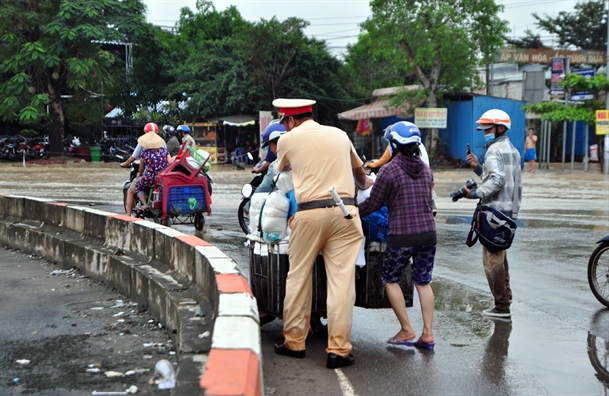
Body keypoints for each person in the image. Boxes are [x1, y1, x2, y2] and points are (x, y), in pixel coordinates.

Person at [272, 98, 372, 369]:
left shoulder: (287, 139)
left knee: (299, 276)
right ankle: (338, 350)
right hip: (346, 212)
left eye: (285, 122)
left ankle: (294, 342)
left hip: (309, 213)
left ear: (290, 120)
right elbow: (361, 176)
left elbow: (280, 171)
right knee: (341, 282)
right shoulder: (340, 134)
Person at [358, 121, 437, 350]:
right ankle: (428, 334)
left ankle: (406, 330)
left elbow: (373, 203)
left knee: (390, 279)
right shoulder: (425, 169)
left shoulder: (389, 170)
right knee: (423, 282)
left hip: (402, 235)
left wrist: (352, 211)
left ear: (394, 144)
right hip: (428, 234)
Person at [464, 109, 522, 319]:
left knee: (492, 260)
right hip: (509, 211)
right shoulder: (512, 149)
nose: (484, 132)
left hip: (496, 212)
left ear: (499, 128)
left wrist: (476, 194)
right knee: (501, 255)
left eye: (487, 128)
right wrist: (477, 168)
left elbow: (497, 181)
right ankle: (505, 298)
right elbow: (496, 177)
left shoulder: (494, 151)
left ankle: (502, 306)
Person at [133, 132, 170, 211]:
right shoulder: (165, 151)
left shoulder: (144, 153)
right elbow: (170, 163)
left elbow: (141, 168)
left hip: (150, 178)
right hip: (163, 177)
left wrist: (139, 174)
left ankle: (145, 205)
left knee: (138, 186)